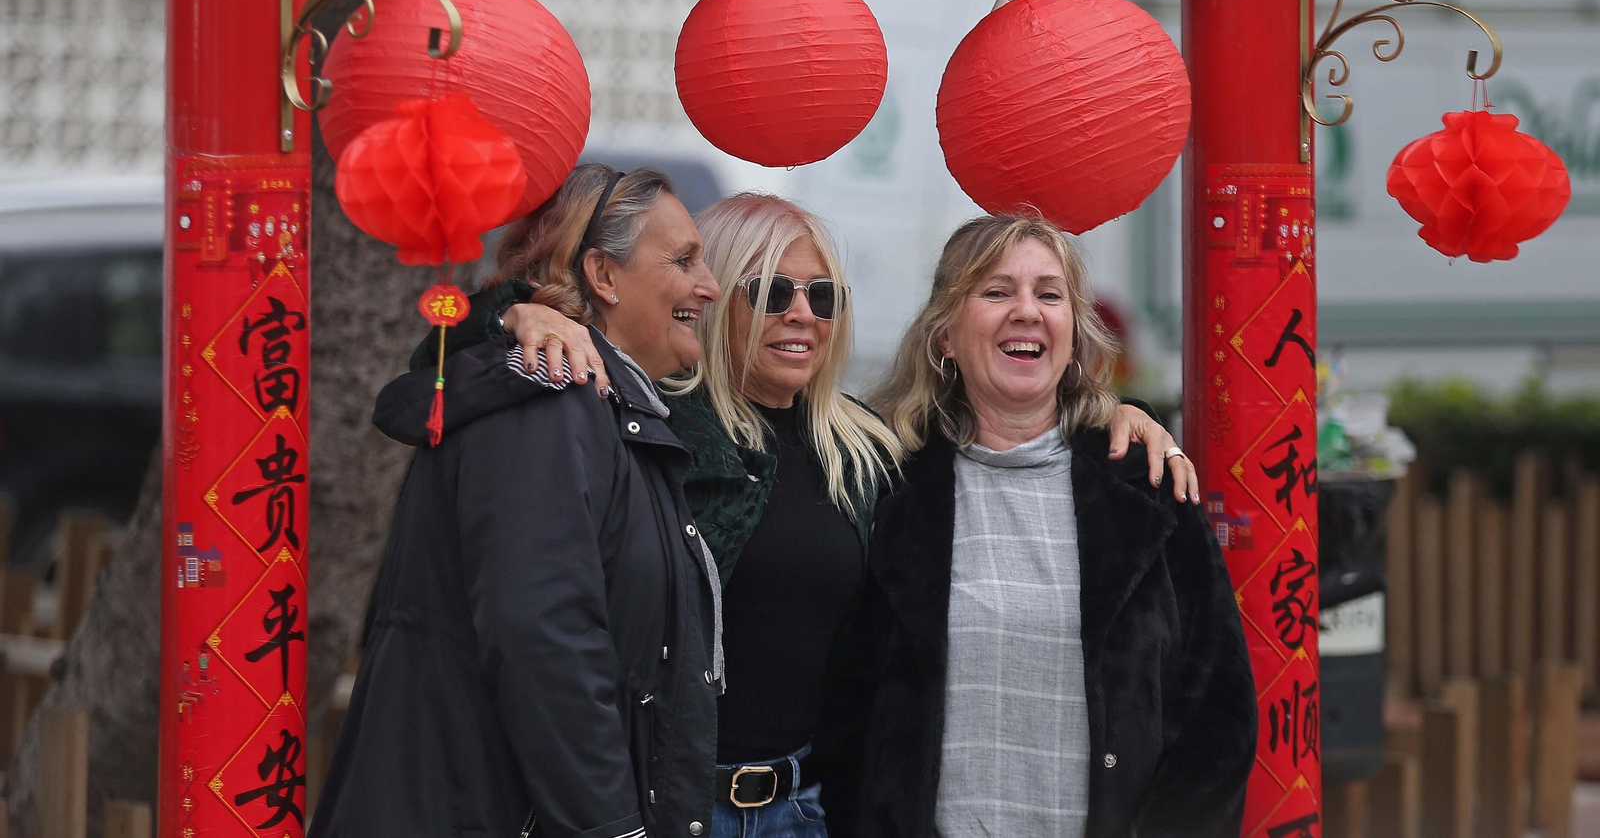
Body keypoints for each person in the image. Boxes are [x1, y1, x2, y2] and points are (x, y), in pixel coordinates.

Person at [406, 188, 1196, 838]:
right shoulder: (648, 425)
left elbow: (1001, 421)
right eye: (771, 291)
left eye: (822, 296)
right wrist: (513, 313)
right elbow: (447, 381)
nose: (801, 313)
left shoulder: (868, 451)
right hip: (664, 808)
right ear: (714, 296)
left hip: (803, 810)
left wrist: (1113, 420)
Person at [311, 165, 724, 838]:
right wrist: (612, 828)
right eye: (683, 260)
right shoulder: (548, 397)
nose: (709, 285)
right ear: (604, 275)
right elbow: (546, 640)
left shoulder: (607, 407)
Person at [847, 213, 1256, 838]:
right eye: (996, 291)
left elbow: (1216, 709)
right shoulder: (883, 483)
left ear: (1074, 334)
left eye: (1049, 294)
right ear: (945, 336)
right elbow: (847, 708)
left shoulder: (1147, 484)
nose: (1026, 311)